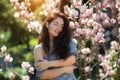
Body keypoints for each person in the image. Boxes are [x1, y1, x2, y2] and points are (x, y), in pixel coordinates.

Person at [34, 12, 77, 80]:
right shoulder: (39, 49)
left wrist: (48, 64)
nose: (59, 28)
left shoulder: (68, 42)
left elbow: (71, 60)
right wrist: (65, 69)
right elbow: (43, 75)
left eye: (61, 26)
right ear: (47, 24)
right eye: (56, 24)